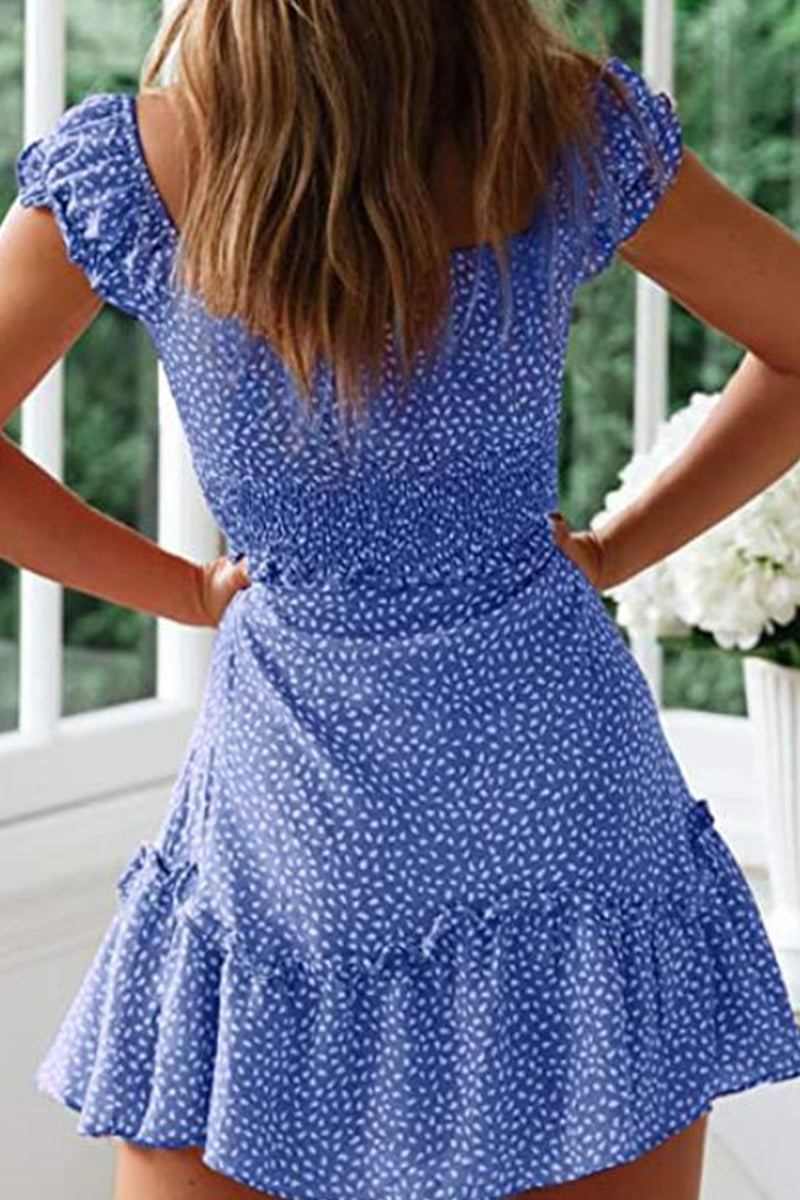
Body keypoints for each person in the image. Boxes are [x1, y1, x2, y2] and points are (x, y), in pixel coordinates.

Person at [2, 2, 800, 1199]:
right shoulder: (558, 127)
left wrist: (181, 592)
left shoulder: (141, 163)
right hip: (559, 810)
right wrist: (614, 552)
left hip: (291, 826)